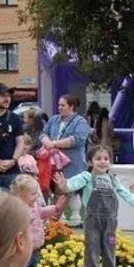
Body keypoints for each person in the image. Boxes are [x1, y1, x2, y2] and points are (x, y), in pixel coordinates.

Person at [43, 94, 91, 223]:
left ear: (72, 107)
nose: (59, 107)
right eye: (59, 105)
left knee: (63, 191)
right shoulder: (53, 120)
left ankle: (52, 223)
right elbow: (43, 133)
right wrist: (46, 140)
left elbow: (78, 139)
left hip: (71, 165)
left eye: (62, 105)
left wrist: (54, 143)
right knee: (51, 191)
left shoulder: (80, 121)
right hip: (52, 163)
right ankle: (49, 222)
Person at [12, 173, 66, 267]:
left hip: (36, 246)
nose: (36, 196)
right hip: (23, 249)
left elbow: (41, 213)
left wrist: (55, 209)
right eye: (33, 194)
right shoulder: (17, 208)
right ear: (20, 195)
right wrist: (26, 220)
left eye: (37, 193)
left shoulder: (34, 205)